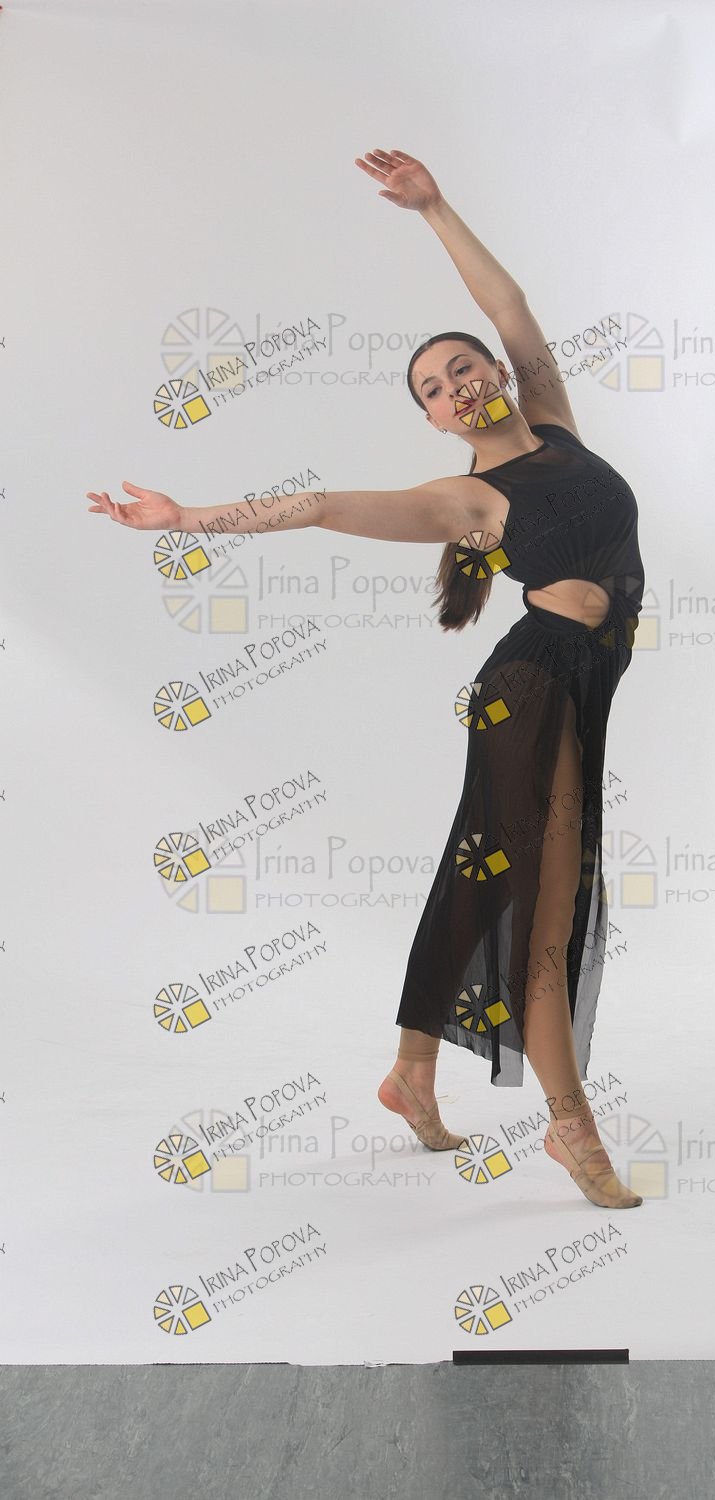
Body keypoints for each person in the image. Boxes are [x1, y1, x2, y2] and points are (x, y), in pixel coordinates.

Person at [87, 147, 645, 1209]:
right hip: (530, 692)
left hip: (577, 686)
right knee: (546, 903)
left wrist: (433, 207)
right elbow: (320, 506)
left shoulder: (556, 424)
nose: (457, 384)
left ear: (496, 374)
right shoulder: (466, 501)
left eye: (464, 367)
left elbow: (510, 305)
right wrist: (186, 517)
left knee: (482, 873)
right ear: (432, 421)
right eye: (433, 388)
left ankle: (411, 1073)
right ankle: (570, 1126)